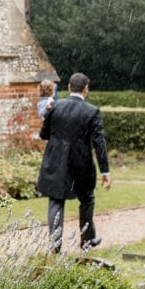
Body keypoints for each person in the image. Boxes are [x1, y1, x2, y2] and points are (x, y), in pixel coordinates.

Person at [36, 72, 111, 252]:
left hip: (56, 161)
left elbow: (43, 134)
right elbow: (99, 143)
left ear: (69, 87)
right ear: (86, 89)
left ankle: (55, 246)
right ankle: (87, 240)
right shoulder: (92, 111)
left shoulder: (54, 106)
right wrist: (105, 172)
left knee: (56, 200)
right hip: (81, 163)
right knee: (86, 199)